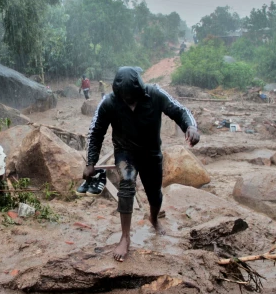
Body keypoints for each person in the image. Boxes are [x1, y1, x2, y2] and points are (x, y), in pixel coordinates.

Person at [83, 66, 200, 262]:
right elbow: (96, 132)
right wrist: (91, 162)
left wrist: (191, 126)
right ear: (118, 93)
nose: (130, 101)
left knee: (155, 194)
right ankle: (125, 237)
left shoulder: (154, 94)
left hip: (151, 152)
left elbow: (179, 110)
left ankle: (153, 219)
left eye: (133, 97)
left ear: (141, 90)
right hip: (125, 152)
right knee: (126, 184)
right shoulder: (109, 102)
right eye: (125, 98)